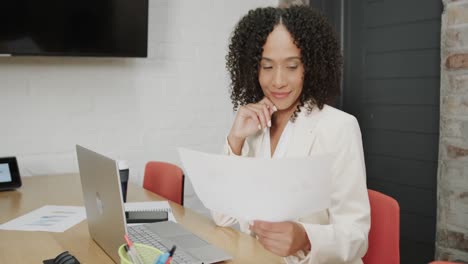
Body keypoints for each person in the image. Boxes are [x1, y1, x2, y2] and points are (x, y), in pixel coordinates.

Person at [211, 5, 370, 264]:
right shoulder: (254, 128)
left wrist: (306, 238)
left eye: (292, 66)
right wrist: (235, 139)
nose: (278, 81)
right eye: (267, 66)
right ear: (253, 68)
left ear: (311, 66)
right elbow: (223, 218)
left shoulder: (339, 127)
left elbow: (356, 236)